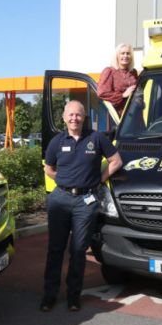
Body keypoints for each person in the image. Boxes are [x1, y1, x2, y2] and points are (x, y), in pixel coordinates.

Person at [41, 100, 123, 312]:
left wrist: (98, 180)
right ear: (64, 117)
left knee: (78, 250)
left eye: (78, 115)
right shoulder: (57, 142)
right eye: (70, 115)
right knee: (55, 249)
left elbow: (116, 161)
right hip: (60, 200)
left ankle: (73, 296)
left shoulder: (96, 139)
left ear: (84, 117)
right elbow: (49, 168)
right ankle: (49, 295)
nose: (74, 118)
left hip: (85, 202)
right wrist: (64, 181)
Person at [98, 43, 138, 115]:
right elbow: (102, 93)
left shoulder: (133, 72)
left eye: (128, 53)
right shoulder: (109, 71)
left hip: (134, 113)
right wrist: (122, 95)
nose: (125, 56)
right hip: (118, 115)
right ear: (117, 56)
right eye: (122, 53)